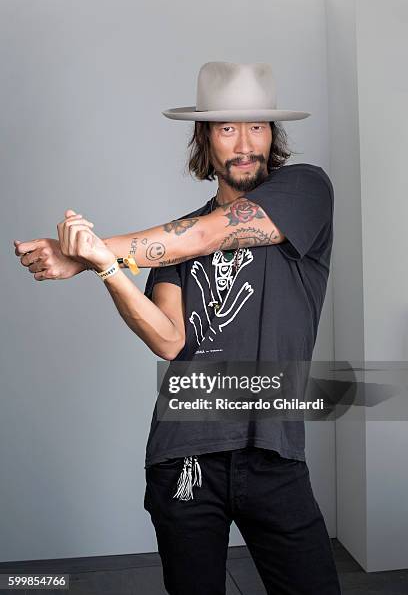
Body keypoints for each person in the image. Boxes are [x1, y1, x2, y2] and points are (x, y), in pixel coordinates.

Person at [14, 62, 341, 594]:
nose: (244, 143)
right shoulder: (171, 240)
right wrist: (103, 267)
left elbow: (211, 234)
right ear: (204, 139)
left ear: (273, 135)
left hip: (272, 452)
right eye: (227, 128)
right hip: (183, 455)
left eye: (257, 127)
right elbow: (169, 338)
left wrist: (89, 252)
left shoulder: (305, 190)